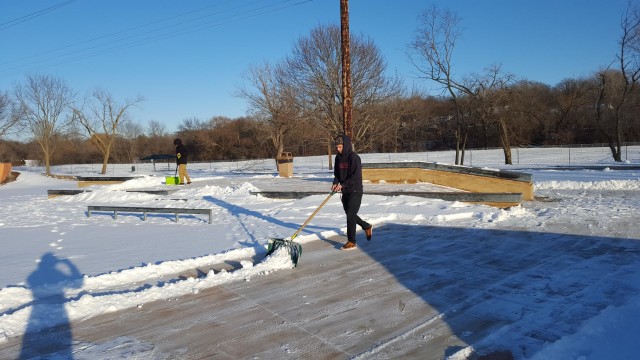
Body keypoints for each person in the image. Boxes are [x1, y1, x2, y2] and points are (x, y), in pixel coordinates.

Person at [331, 134, 373, 250]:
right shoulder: (338, 158)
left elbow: (354, 177)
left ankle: (351, 241)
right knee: (350, 214)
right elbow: (337, 174)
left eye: (340, 147)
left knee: (350, 214)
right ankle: (366, 226)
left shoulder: (354, 158)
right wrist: (335, 183)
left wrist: (342, 185)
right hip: (345, 190)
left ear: (346, 145)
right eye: (337, 147)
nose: (338, 149)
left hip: (355, 189)